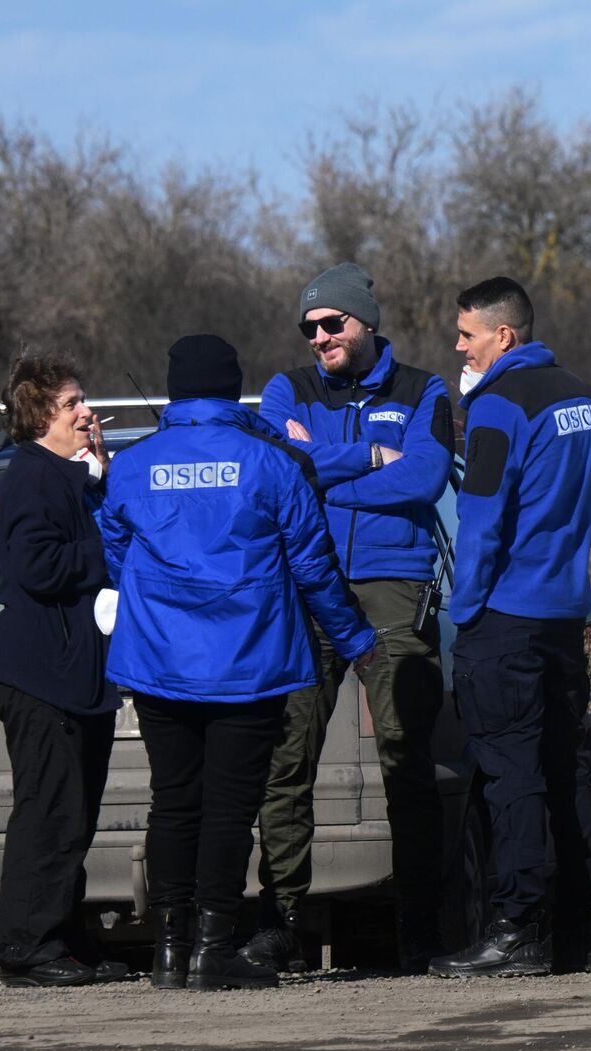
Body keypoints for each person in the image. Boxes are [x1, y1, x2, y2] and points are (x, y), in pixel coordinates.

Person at [101, 335, 377, 991]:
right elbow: (314, 565)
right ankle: (213, 951)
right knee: (229, 810)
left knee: (172, 804)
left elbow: (115, 553)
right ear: (232, 388)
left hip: (160, 662)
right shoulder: (270, 463)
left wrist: (163, 603)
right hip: (248, 661)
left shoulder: (133, 465)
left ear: (173, 390)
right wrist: (358, 640)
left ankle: (168, 951)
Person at [246, 262, 453, 973]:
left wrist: (323, 475)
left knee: (405, 759)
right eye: (309, 327)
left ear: (367, 321)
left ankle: (422, 928)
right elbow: (279, 467)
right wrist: (366, 456)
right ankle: (283, 926)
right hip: (307, 585)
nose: (320, 337)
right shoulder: (285, 389)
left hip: (394, 585)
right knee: (287, 755)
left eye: (333, 323)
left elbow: (424, 478)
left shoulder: (424, 390)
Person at [430, 277, 591, 978]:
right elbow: (586, 505)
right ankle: (575, 931)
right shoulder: (581, 397)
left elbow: (480, 523)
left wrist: (466, 609)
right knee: (568, 774)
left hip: (506, 617)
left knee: (511, 778)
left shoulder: (500, 405)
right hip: (564, 613)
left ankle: (518, 930)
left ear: (504, 336)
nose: (459, 346)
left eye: (468, 334)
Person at [0, 355, 127, 988]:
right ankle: (27, 948)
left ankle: (64, 937)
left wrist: (98, 477)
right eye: (72, 403)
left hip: (77, 677)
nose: (86, 411)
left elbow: (80, 516)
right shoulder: (28, 480)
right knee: (48, 812)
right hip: (38, 674)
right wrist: (108, 546)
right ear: (39, 414)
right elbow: (36, 568)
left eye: (83, 399)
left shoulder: (63, 477)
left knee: (75, 816)